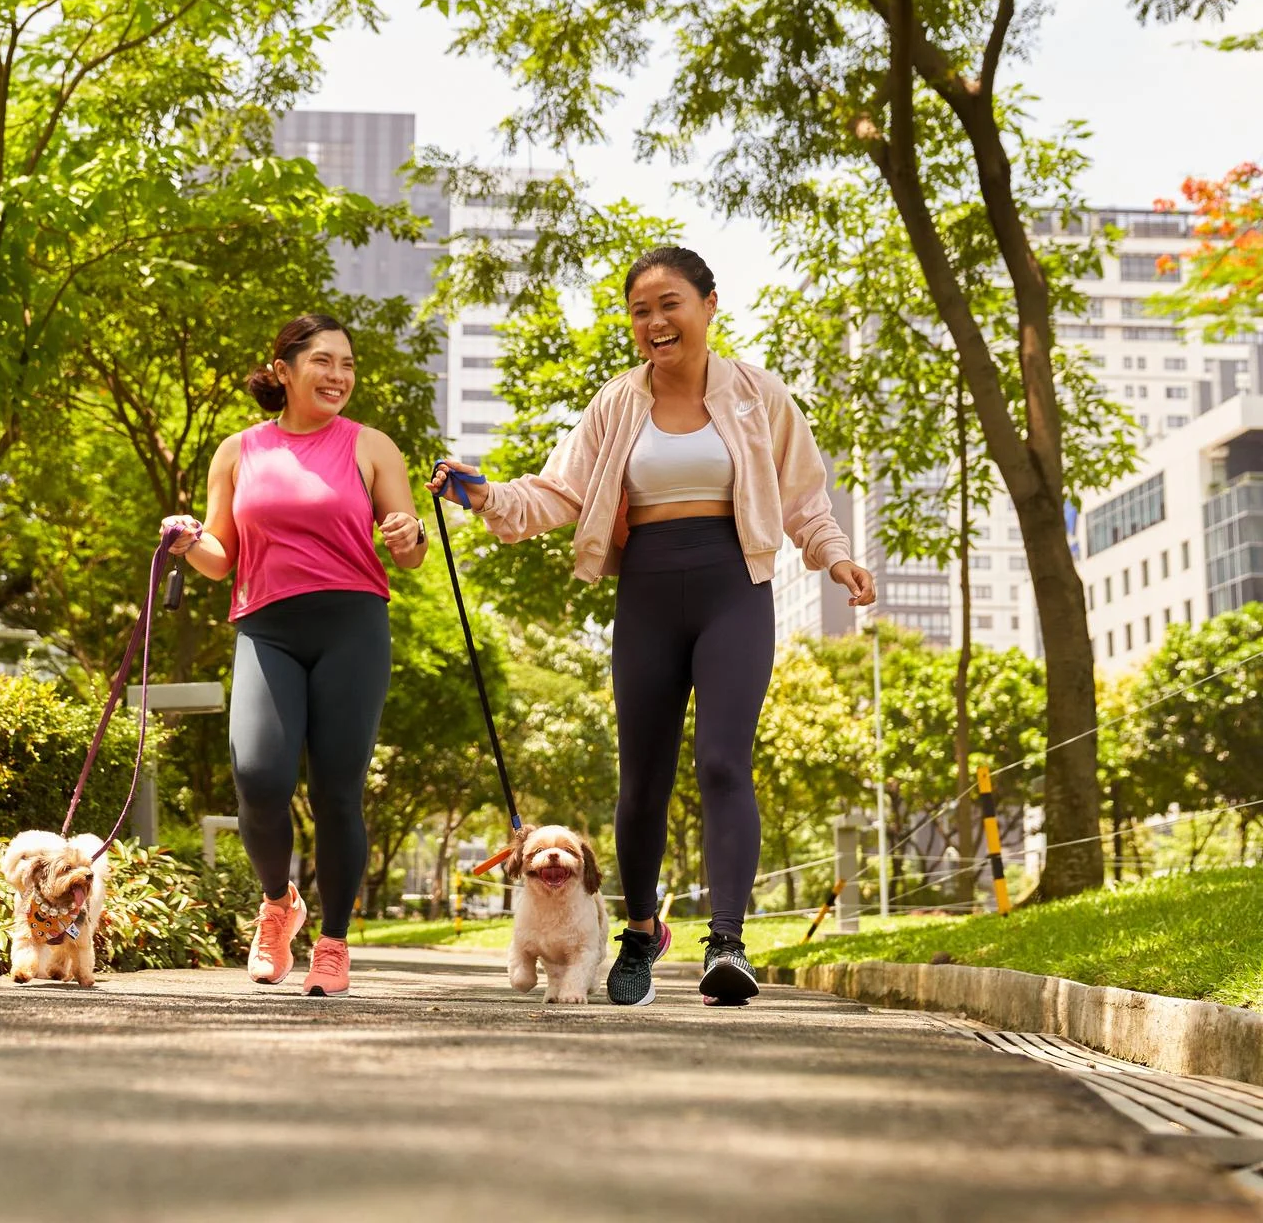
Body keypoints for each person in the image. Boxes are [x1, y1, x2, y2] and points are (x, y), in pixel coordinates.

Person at [429, 247, 876, 1007]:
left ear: (708, 306)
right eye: (640, 310)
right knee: (642, 783)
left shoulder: (760, 396)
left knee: (724, 764)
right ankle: (640, 931)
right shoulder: (616, 403)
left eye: (670, 303)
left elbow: (805, 497)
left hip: (734, 585)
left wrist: (834, 559)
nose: (655, 321)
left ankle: (727, 943)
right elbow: (558, 491)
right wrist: (485, 496)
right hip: (646, 592)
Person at [162, 314, 428, 997]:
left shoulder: (372, 447)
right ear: (283, 369)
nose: (339, 375)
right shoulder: (238, 451)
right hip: (266, 627)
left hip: (352, 626)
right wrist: (190, 540)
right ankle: (278, 905)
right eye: (323, 361)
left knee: (338, 792)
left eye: (347, 363)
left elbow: (411, 552)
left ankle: (333, 943)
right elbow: (223, 560)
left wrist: (406, 532)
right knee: (258, 776)